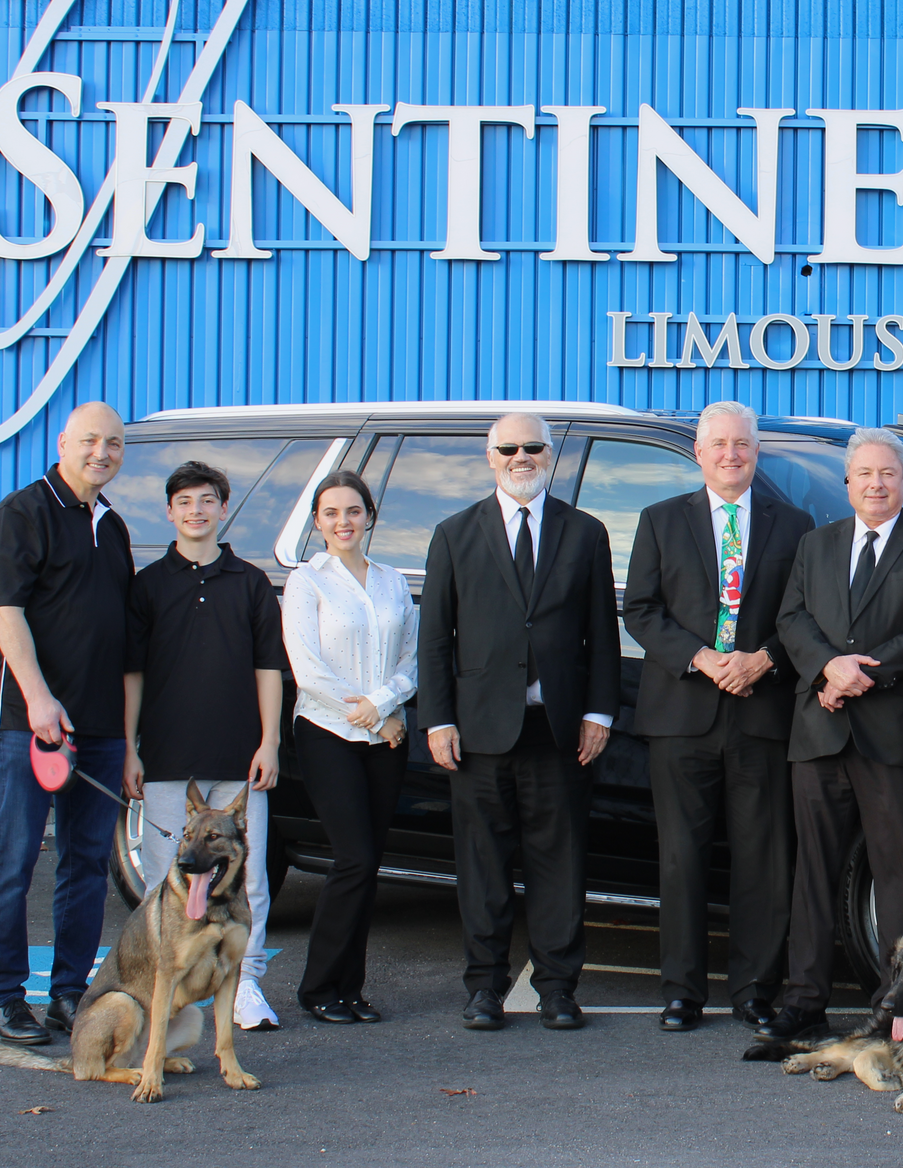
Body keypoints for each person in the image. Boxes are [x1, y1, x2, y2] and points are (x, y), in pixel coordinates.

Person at [756, 428, 903, 1045]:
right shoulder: (815, 544)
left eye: (888, 474)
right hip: (820, 730)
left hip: (896, 736)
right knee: (812, 872)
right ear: (848, 483)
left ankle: (896, 1012)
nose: (876, 484)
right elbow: (790, 618)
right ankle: (804, 1001)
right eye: (865, 474)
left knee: (898, 876)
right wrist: (828, 667)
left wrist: (858, 674)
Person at [418, 414, 621, 1032]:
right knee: (482, 866)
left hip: (558, 729)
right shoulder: (454, 534)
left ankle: (559, 988)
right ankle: (484, 988)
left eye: (533, 446)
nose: (521, 456)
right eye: (509, 448)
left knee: (559, 864)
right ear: (490, 456)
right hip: (479, 731)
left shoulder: (585, 533)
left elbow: (602, 636)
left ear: (549, 453)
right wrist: (438, 720)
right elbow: (435, 639)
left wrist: (598, 711)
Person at [623, 401, 812, 1033]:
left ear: (756, 453)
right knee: (682, 858)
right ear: (699, 453)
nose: (731, 454)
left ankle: (755, 989)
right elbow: (642, 611)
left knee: (763, 859)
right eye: (719, 444)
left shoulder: (795, 524)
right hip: (682, 715)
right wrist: (702, 657)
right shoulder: (659, 521)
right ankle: (682, 990)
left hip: (761, 713)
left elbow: (806, 618)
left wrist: (764, 660)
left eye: (742, 444)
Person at [0, 402, 133, 1046]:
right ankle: (4, 999)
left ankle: (70, 994)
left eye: (114, 443)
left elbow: (119, 636)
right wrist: (40, 700)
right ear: (63, 441)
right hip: (28, 722)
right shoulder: (23, 513)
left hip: (99, 729)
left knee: (88, 864)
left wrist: (127, 738)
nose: (102, 452)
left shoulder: (113, 526)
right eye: (90, 440)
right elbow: (5, 613)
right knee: (13, 858)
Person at [123, 461, 287, 1032]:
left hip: (238, 763)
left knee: (251, 878)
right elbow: (133, 675)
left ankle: (246, 986)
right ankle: (159, 992)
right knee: (161, 882)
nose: (196, 510)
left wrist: (269, 742)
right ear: (170, 511)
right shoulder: (146, 586)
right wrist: (129, 747)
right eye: (185, 501)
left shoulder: (250, 583)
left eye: (207, 500)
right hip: (168, 763)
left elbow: (269, 668)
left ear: (223, 507)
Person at [281, 470, 418, 1025]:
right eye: (332, 513)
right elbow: (306, 668)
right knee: (352, 857)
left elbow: (411, 659)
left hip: (386, 738)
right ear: (317, 522)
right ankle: (317, 987)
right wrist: (363, 711)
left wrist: (384, 705)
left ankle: (350, 988)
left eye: (353, 511)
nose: (343, 522)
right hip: (327, 732)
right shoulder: (306, 582)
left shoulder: (392, 582)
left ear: (370, 518)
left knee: (369, 864)